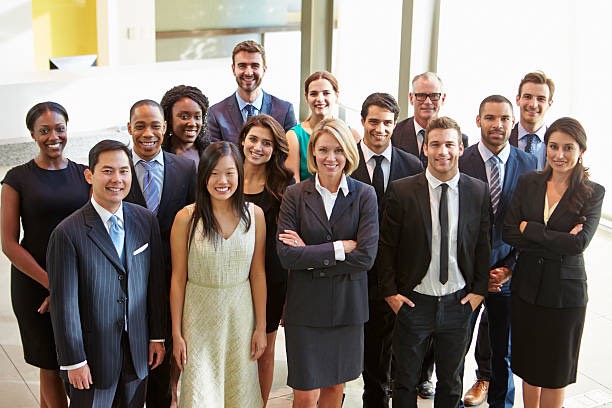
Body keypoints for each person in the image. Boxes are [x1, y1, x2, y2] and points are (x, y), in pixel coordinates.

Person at [378, 116, 491, 407]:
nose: (443, 151)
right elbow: (387, 246)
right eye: (436, 144)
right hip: (414, 302)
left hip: (458, 302)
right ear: (425, 148)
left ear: (461, 148)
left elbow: (482, 245)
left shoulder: (477, 191)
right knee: (404, 380)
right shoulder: (403, 191)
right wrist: (391, 293)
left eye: (450, 144)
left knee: (451, 382)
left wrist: (478, 292)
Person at [47, 140, 167, 407]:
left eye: (124, 171)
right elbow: (64, 305)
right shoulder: (67, 233)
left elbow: (155, 284)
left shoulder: (145, 220)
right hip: (92, 357)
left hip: (137, 350)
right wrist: (74, 361)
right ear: (90, 175)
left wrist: (156, 336)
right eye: (108, 171)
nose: (117, 179)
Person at [503, 117, 605, 408]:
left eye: (568, 148)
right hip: (527, 289)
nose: (559, 155)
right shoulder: (529, 182)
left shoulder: (592, 192)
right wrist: (556, 238)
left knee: (555, 370)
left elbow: (578, 244)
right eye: (553, 146)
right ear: (545, 148)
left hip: (565, 295)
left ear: (581, 151)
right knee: (527, 365)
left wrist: (531, 229)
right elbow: (510, 231)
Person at [277, 118, 379, 408]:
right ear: (313, 153)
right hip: (305, 308)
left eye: (337, 150)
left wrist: (308, 254)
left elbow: (366, 257)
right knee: (305, 392)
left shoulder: (364, 195)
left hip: (347, 307)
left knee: (335, 386)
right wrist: (338, 248)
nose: (330, 158)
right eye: (323, 150)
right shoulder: (295, 195)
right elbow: (286, 255)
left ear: (348, 153)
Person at [1, 102, 90, 408]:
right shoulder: (17, 178)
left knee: (70, 359)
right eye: (44, 130)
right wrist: (53, 285)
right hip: (34, 282)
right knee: (49, 363)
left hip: (77, 281)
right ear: (32, 134)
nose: (54, 136)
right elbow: (9, 244)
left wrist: (68, 287)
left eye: (60, 128)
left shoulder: (84, 175)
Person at [170, 141, 267, 407]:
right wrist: (177, 333)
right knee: (200, 392)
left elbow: (258, 274)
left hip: (240, 314)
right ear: (203, 177)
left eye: (229, 173)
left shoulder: (255, 215)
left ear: (240, 173)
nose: (221, 181)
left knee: (240, 390)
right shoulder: (186, 218)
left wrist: (260, 327)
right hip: (198, 316)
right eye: (214, 173)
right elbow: (178, 279)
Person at [459, 95, 537, 408]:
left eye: (505, 118)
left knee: (502, 353)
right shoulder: (460, 161)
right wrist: (476, 271)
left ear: (513, 121)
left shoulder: (528, 163)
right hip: (465, 273)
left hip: (505, 273)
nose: (498, 125)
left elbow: (529, 222)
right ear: (478, 120)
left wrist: (508, 268)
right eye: (490, 118)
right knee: (455, 348)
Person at [350, 93, 422, 407]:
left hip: (400, 277)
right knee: (370, 359)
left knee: (400, 354)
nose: (380, 129)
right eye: (374, 122)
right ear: (363, 122)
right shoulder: (345, 161)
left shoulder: (412, 164)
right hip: (359, 277)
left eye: (387, 123)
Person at [124, 99, 196, 408]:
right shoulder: (117, 169)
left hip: (172, 281)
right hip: (126, 283)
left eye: (155, 125)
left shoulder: (185, 168)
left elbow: (196, 223)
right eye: (140, 126)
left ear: (165, 128)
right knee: (129, 367)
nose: (148, 133)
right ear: (129, 128)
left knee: (162, 365)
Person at [239, 114, 294, 406]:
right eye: (253, 139)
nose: (258, 147)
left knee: (265, 347)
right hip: (232, 277)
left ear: (276, 148)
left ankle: (259, 403)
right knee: (235, 347)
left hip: (272, 278)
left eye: (267, 143)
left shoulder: (284, 184)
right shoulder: (227, 176)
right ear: (243, 140)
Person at [207, 40, 297, 144]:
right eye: (242, 66)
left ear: (264, 70)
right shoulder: (216, 113)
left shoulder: (284, 111)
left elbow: (290, 155)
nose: (249, 72)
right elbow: (215, 158)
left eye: (255, 66)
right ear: (233, 69)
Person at [286, 70, 361, 182]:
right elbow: (293, 183)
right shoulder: (294, 136)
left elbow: (357, 179)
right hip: (305, 198)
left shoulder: (352, 135)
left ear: (336, 95)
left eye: (326, 93)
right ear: (306, 97)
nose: (320, 99)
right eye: (313, 94)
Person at [391, 72, 469, 169]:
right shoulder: (394, 134)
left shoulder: (459, 138)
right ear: (411, 98)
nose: (428, 102)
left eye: (434, 96)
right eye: (421, 95)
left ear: (443, 99)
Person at [509, 71, 555, 170]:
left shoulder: (557, 142)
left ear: (549, 104)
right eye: (528, 97)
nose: (533, 104)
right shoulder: (504, 139)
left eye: (541, 99)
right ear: (518, 100)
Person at [160, 84, 211, 167]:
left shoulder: (212, 152)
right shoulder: (159, 155)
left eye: (197, 117)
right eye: (184, 117)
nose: (192, 123)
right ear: (169, 119)